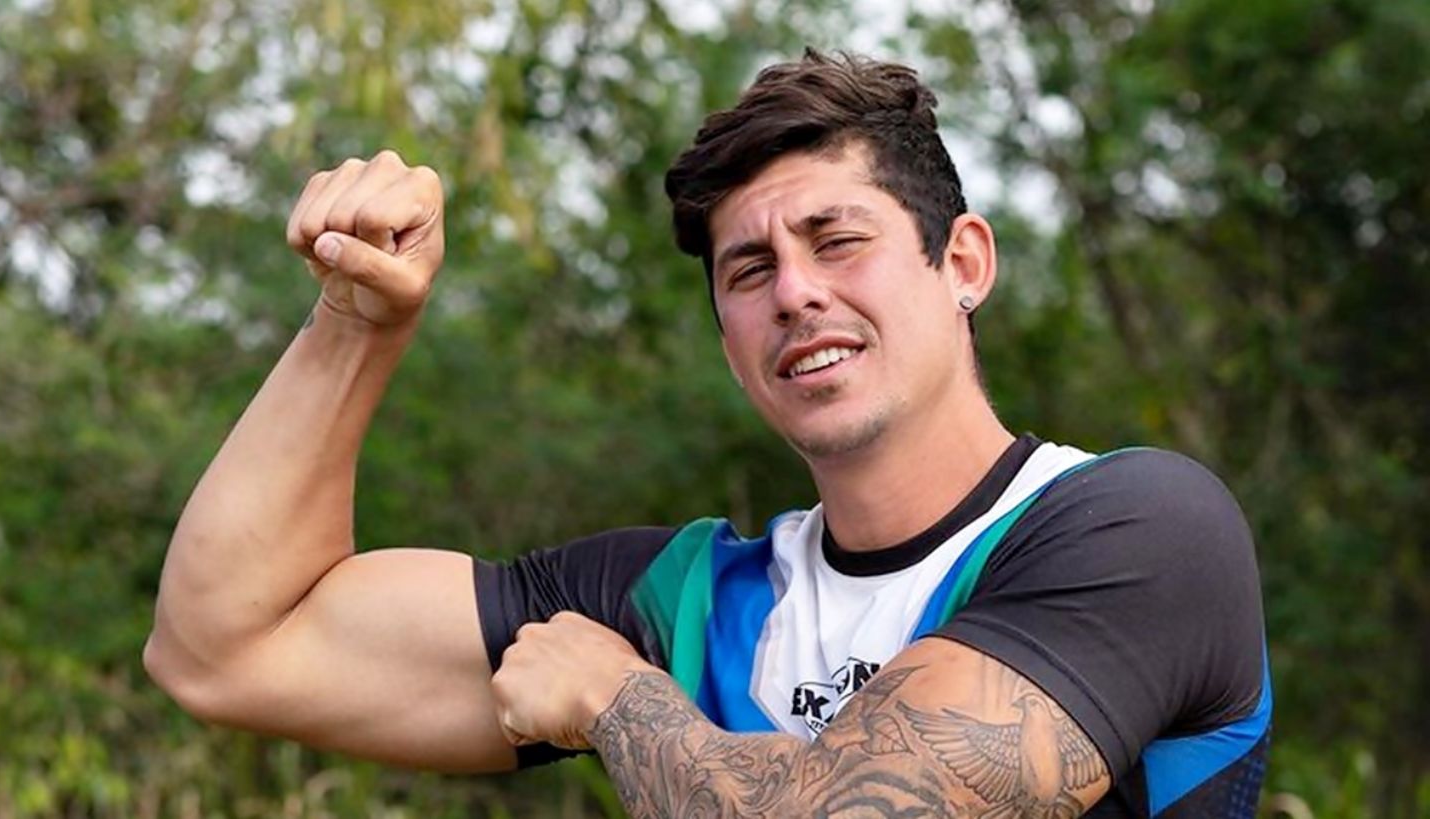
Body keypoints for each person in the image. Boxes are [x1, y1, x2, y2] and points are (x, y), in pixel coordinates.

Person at [145, 50, 1271, 817]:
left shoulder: (1139, 529)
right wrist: (356, 324)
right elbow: (227, 647)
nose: (796, 293)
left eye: (838, 240)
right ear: (728, 336)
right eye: (749, 269)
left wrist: (615, 702)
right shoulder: (678, 600)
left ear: (962, 262)